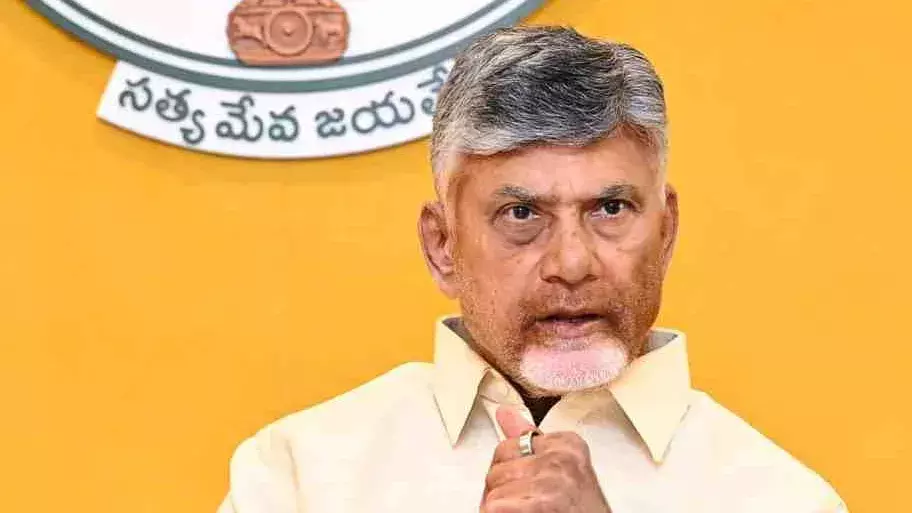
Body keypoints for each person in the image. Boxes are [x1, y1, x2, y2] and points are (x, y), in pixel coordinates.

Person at [216, 26, 847, 513]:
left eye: (610, 208)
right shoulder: (298, 477)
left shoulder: (783, 499)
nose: (571, 263)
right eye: (521, 213)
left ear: (666, 232)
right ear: (442, 246)